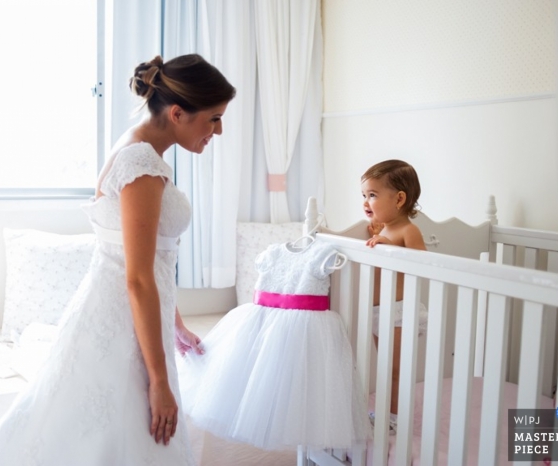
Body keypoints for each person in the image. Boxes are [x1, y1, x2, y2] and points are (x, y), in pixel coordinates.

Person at [0, 53, 236, 465]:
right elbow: (137, 278)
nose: (219, 130)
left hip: (126, 313)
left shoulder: (139, 149)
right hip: (122, 321)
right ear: (177, 112)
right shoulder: (142, 165)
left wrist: (176, 323)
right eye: (214, 118)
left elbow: (149, 263)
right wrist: (159, 382)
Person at [177, 236, 373, 451]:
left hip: (303, 326)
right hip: (262, 320)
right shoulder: (272, 253)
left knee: (297, 383)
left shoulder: (323, 255)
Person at [361, 159, 427, 433]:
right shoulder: (385, 228)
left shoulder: (407, 230)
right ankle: (387, 413)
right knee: (385, 368)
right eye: (364, 195)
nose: (366, 201)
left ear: (399, 199)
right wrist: (379, 234)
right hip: (380, 313)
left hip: (401, 313)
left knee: (396, 371)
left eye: (372, 195)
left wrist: (392, 247)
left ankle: (396, 419)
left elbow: (422, 261)